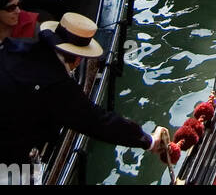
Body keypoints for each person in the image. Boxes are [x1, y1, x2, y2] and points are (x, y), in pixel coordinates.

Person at [0, 12, 171, 169]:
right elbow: (98, 122)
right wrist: (148, 140)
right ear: (78, 57)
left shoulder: (17, 47)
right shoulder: (57, 84)